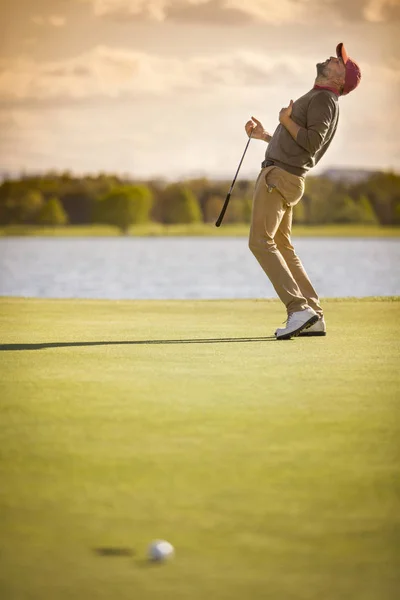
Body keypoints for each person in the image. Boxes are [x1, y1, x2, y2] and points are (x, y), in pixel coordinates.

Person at [245, 43, 361, 340]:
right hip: (286, 176)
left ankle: (298, 309)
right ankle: (314, 314)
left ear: (339, 80)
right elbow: (301, 145)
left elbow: (311, 142)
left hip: (279, 177)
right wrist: (266, 136)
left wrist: (285, 121)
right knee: (282, 246)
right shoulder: (322, 97)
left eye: (340, 62)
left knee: (260, 242)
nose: (333, 58)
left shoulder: (324, 98)